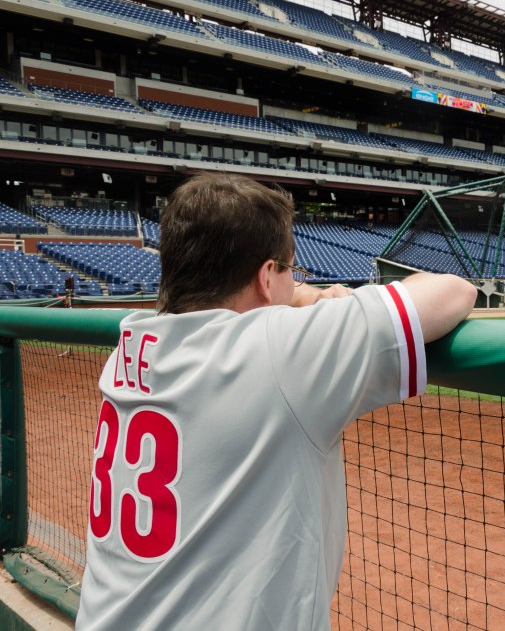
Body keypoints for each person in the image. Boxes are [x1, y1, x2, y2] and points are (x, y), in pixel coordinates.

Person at [76, 173, 477, 630]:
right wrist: (307, 298)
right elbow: (452, 291)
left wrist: (289, 293)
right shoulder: (277, 351)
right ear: (267, 276)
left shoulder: (129, 344)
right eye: (291, 269)